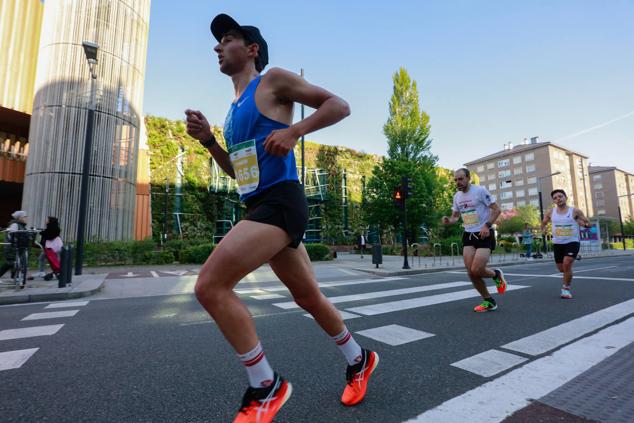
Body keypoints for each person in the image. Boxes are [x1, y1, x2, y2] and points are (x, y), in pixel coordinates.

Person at [185, 14, 378, 423]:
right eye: (217, 42)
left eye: (228, 39)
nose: (218, 47)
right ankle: (359, 359)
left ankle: (266, 385)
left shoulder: (272, 80)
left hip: (282, 203)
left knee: (210, 286)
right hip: (260, 205)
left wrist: (295, 132)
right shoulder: (234, 109)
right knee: (308, 297)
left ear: (252, 49)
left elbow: (338, 105)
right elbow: (238, 172)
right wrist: (209, 142)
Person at [442, 168, 508, 312]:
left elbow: (497, 210)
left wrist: (487, 225)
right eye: (455, 180)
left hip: (484, 233)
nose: (457, 182)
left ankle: (496, 274)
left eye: (460, 179)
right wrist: (449, 220)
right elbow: (455, 216)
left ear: (468, 178)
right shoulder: (457, 196)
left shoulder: (480, 191)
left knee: (477, 269)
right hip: (468, 235)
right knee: (471, 272)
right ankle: (488, 301)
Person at [540, 189, 590, 299]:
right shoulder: (550, 212)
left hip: (572, 241)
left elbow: (588, 223)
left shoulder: (575, 211)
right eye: (555, 198)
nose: (558, 199)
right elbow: (543, 223)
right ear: (553, 201)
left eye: (560, 196)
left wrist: (583, 224)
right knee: (562, 269)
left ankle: (565, 289)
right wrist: (543, 230)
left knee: (567, 263)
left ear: (565, 198)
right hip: (558, 243)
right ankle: (572, 258)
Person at [0, 211, 28, 286]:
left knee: (16, 262)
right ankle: (14, 277)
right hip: (12, 247)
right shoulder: (15, 225)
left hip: (17, 247)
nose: (26, 218)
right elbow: (11, 235)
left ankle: (15, 277)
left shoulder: (21, 225)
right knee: (10, 263)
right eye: (24, 217)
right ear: (19, 218)